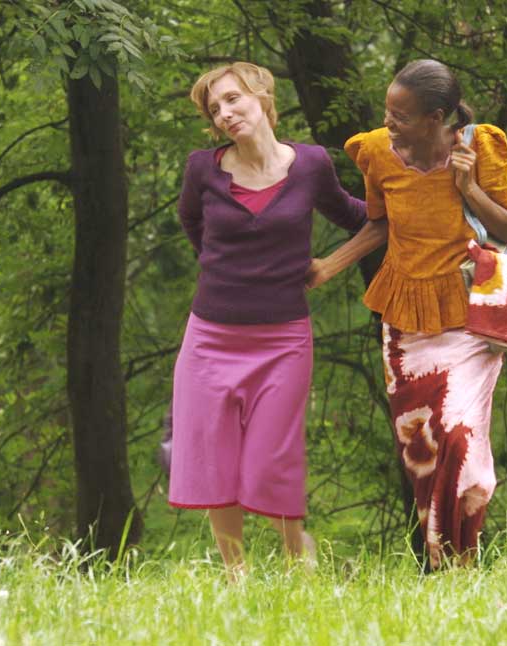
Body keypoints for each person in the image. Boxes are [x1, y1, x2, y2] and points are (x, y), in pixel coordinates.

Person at [306, 59, 507, 568]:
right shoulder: (376, 154)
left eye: (401, 115)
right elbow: (378, 225)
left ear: (437, 117)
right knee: (422, 453)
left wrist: (470, 189)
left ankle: (460, 560)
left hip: (468, 317)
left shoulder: (481, 147)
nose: (389, 122)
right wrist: (328, 267)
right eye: (387, 110)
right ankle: (446, 566)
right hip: (405, 320)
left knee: (460, 439)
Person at [168, 61, 367, 580]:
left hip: (283, 341)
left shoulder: (311, 165)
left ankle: (297, 557)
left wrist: (420, 202)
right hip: (210, 338)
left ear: (261, 94)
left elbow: (355, 215)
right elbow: (191, 221)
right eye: (216, 109)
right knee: (215, 462)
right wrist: (226, 271)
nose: (226, 113)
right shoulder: (202, 169)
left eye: (233, 99)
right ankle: (237, 577)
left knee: (270, 461)